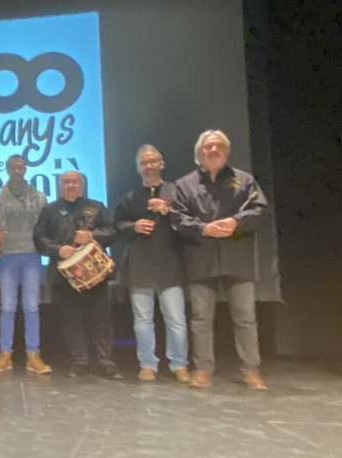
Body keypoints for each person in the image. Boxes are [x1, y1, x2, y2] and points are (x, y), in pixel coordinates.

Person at [172, 129, 269, 390]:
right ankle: (203, 370)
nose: (213, 151)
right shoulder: (185, 184)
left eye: (218, 147)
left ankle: (251, 371)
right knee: (201, 319)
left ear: (226, 152)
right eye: (208, 147)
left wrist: (235, 221)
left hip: (237, 258)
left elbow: (258, 211)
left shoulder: (244, 180)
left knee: (245, 318)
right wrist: (202, 228)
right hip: (201, 260)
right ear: (199, 153)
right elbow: (177, 219)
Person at [33, 171, 121, 379]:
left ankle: (104, 360)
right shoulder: (50, 210)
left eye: (75, 182)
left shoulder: (96, 206)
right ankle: (79, 360)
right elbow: (39, 238)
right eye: (66, 182)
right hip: (64, 276)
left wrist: (92, 236)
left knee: (101, 318)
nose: (70, 185)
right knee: (71, 319)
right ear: (60, 185)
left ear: (82, 185)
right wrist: (57, 250)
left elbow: (113, 232)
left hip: (94, 274)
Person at [115, 145, 189, 383]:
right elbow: (117, 226)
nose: (148, 166)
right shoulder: (130, 196)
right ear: (138, 168)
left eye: (152, 161)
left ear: (162, 164)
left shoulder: (177, 191)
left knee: (176, 320)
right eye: (143, 163)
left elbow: (191, 224)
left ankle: (179, 364)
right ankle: (147, 364)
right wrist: (133, 227)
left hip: (170, 264)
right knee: (142, 321)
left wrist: (169, 211)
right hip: (140, 265)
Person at [0, 154, 52, 374]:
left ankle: (33, 355)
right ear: (7, 169)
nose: (17, 170)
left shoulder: (40, 198)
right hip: (7, 258)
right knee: (7, 307)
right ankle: (5, 353)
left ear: (26, 169)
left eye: (21, 167)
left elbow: (45, 228)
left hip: (32, 256)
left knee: (32, 307)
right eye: (13, 167)